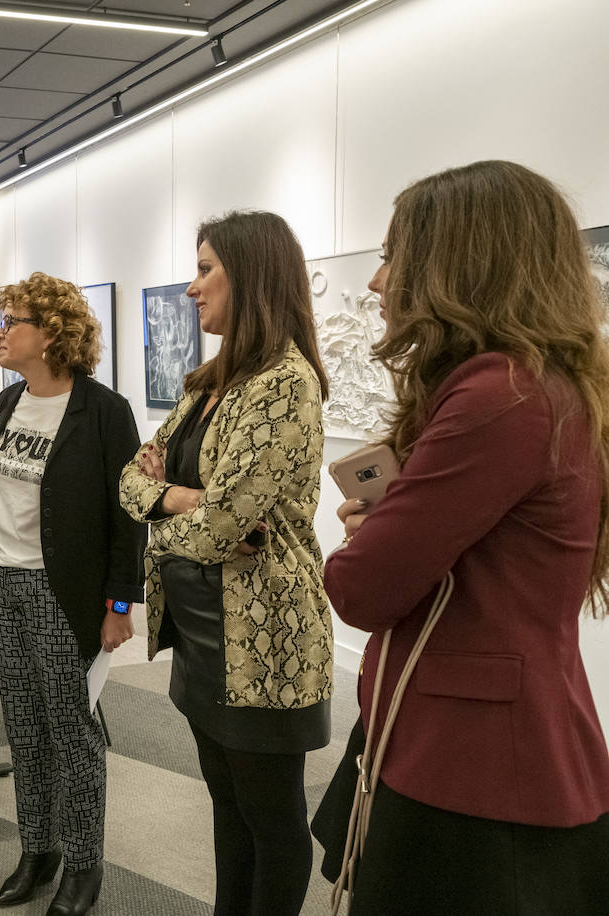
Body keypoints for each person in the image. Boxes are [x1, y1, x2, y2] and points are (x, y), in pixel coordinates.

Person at [324, 160, 609, 915]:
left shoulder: (499, 396)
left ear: (457, 264)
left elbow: (360, 589)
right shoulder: (537, 386)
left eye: (393, 255)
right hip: (480, 746)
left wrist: (368, 539)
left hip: (478, 768)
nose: (379, 282)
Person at [119, 211, 332, 916]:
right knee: (226, 803)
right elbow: (130, 482)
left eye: (207, 268)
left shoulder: (286, 383)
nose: (191, 286)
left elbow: (225, 527)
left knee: (271, 820)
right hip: (201, 631)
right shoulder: (206, 382)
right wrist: (183, 498)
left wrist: (174, 511)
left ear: (253, 276)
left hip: (263, 639)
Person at [0, 272, 145, 916]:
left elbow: (128, 515)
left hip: (63, 592)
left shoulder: (103, 411)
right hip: (1, 582)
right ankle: (38, 848)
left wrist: (120, 604)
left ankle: (83, 862)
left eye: (12, 323)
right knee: (26, 730)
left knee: (73, 732)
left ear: (52, 333)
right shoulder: (10, 401)